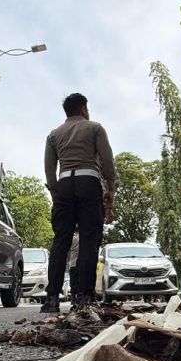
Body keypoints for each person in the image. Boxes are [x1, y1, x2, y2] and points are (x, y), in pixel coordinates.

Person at [41, 93, 116, 313]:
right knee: (88, 240)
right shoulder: (95, 128)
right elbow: (107, 161)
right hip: (89, 182)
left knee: (61, 240)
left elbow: (49, 169)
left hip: (64, 183)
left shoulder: (53, 135)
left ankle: (52, 298)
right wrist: (110, 188)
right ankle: (84, 297)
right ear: (83, 108)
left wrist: (56, 193)